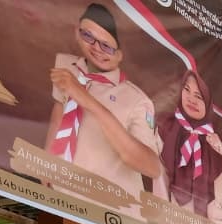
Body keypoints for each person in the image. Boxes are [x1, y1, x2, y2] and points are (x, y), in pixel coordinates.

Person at [45, 4, 161, 209]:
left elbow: (151, 167)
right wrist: (46, 164)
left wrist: (86, 99)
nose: (96, 49)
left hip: (112, 213)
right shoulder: (66, 66)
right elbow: (59, 114)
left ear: (119, 55)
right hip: (61, 197)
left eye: (107, 46)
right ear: (77, 32)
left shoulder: (136, 100)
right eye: (88, 36)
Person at [155, 69, 222, 224]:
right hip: (177, 222)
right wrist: (162, 220)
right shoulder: (167, 128)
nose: (191, 99)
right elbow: (159, 175)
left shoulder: (217, 137)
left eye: (199, 96)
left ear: (208, 101)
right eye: (186, 90)